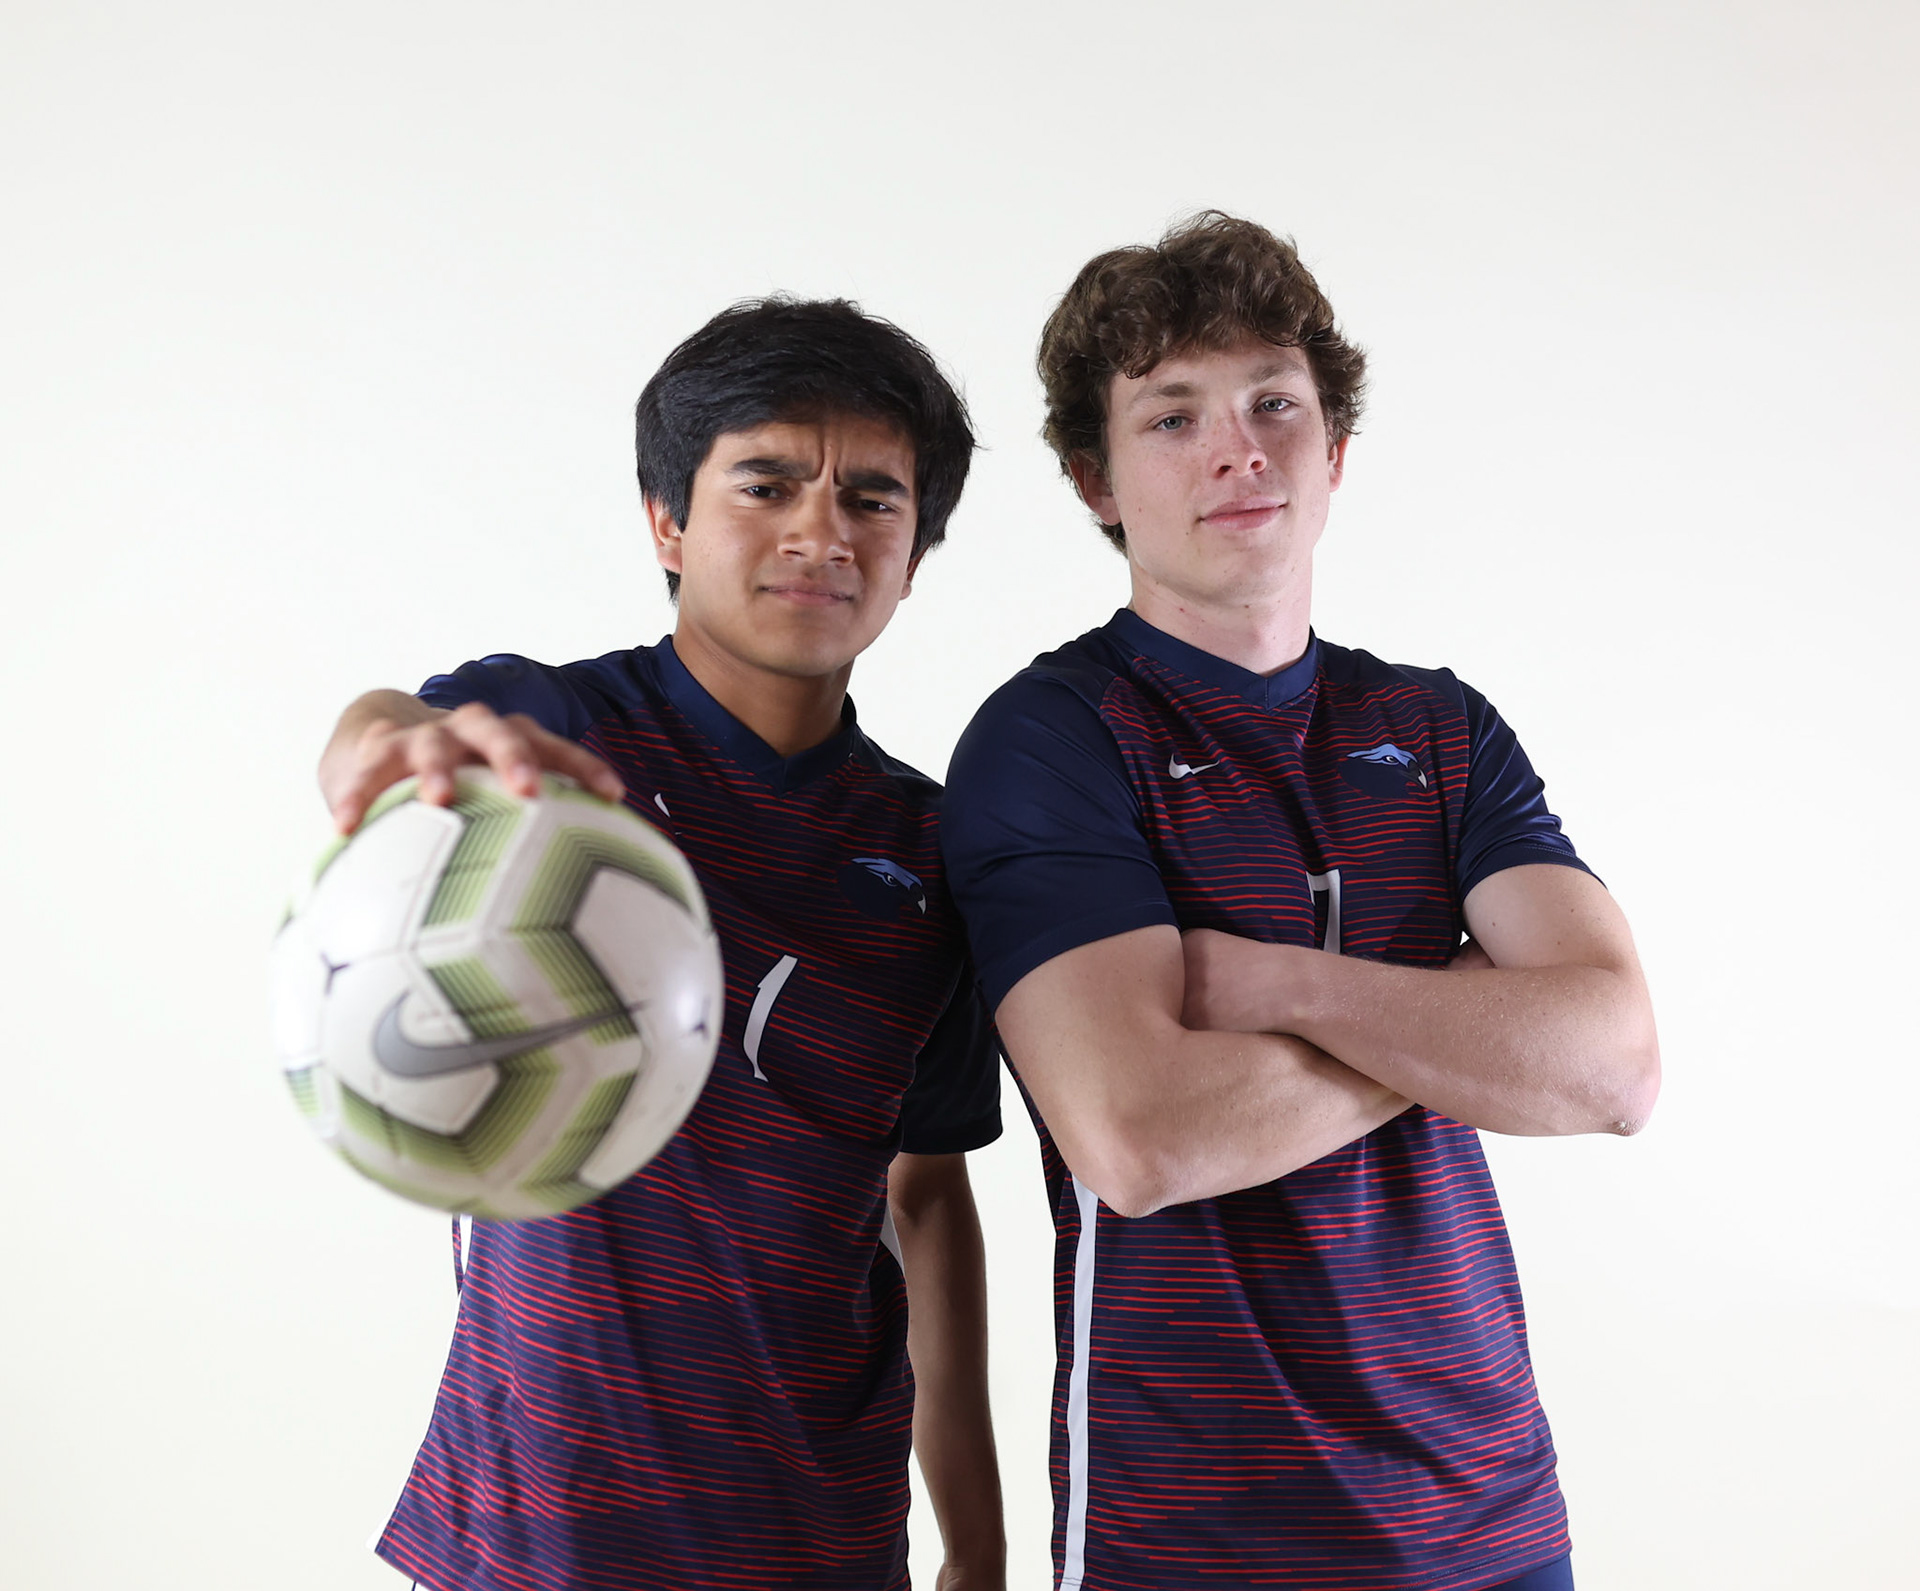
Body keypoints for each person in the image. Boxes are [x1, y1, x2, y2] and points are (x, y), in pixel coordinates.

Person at [942, 213, 1660, 1591]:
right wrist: (1464, 1020)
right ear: (1095, 479)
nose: (1239, 449)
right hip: (1198, 1534)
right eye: (1173, 418)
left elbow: (1615, 1068)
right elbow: (1139, 1137)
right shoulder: (1053, 741)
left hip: (1487, 1519)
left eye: (1276, 403)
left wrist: (1289, 986)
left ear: (1336, 452)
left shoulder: (1440, 730)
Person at [318, 298, 1006, 1591]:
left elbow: (925, 1198)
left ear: (914, 556)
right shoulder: (554, 735)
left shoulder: (930, 851)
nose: (821, 531)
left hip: (823, 1535)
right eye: (767, 483)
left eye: (871, 499)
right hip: (539, 1524)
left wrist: (976, 1547)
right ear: (668, 521)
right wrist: (386, 749)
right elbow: (393, 725)